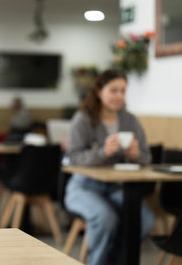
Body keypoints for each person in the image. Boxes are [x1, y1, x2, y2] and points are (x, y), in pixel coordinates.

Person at [63, 69, 155, 265]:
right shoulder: (83, 119)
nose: (119, 96)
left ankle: (115, 260)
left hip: (117, 187)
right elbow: (73, 157)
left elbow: (147, 157)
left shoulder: (130, 120)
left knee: (145, 219)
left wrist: (136, 155)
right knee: (105, 218)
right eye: (113, 90)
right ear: (98, 91)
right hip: (84, 187)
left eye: (123, 91)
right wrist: (102, 153)